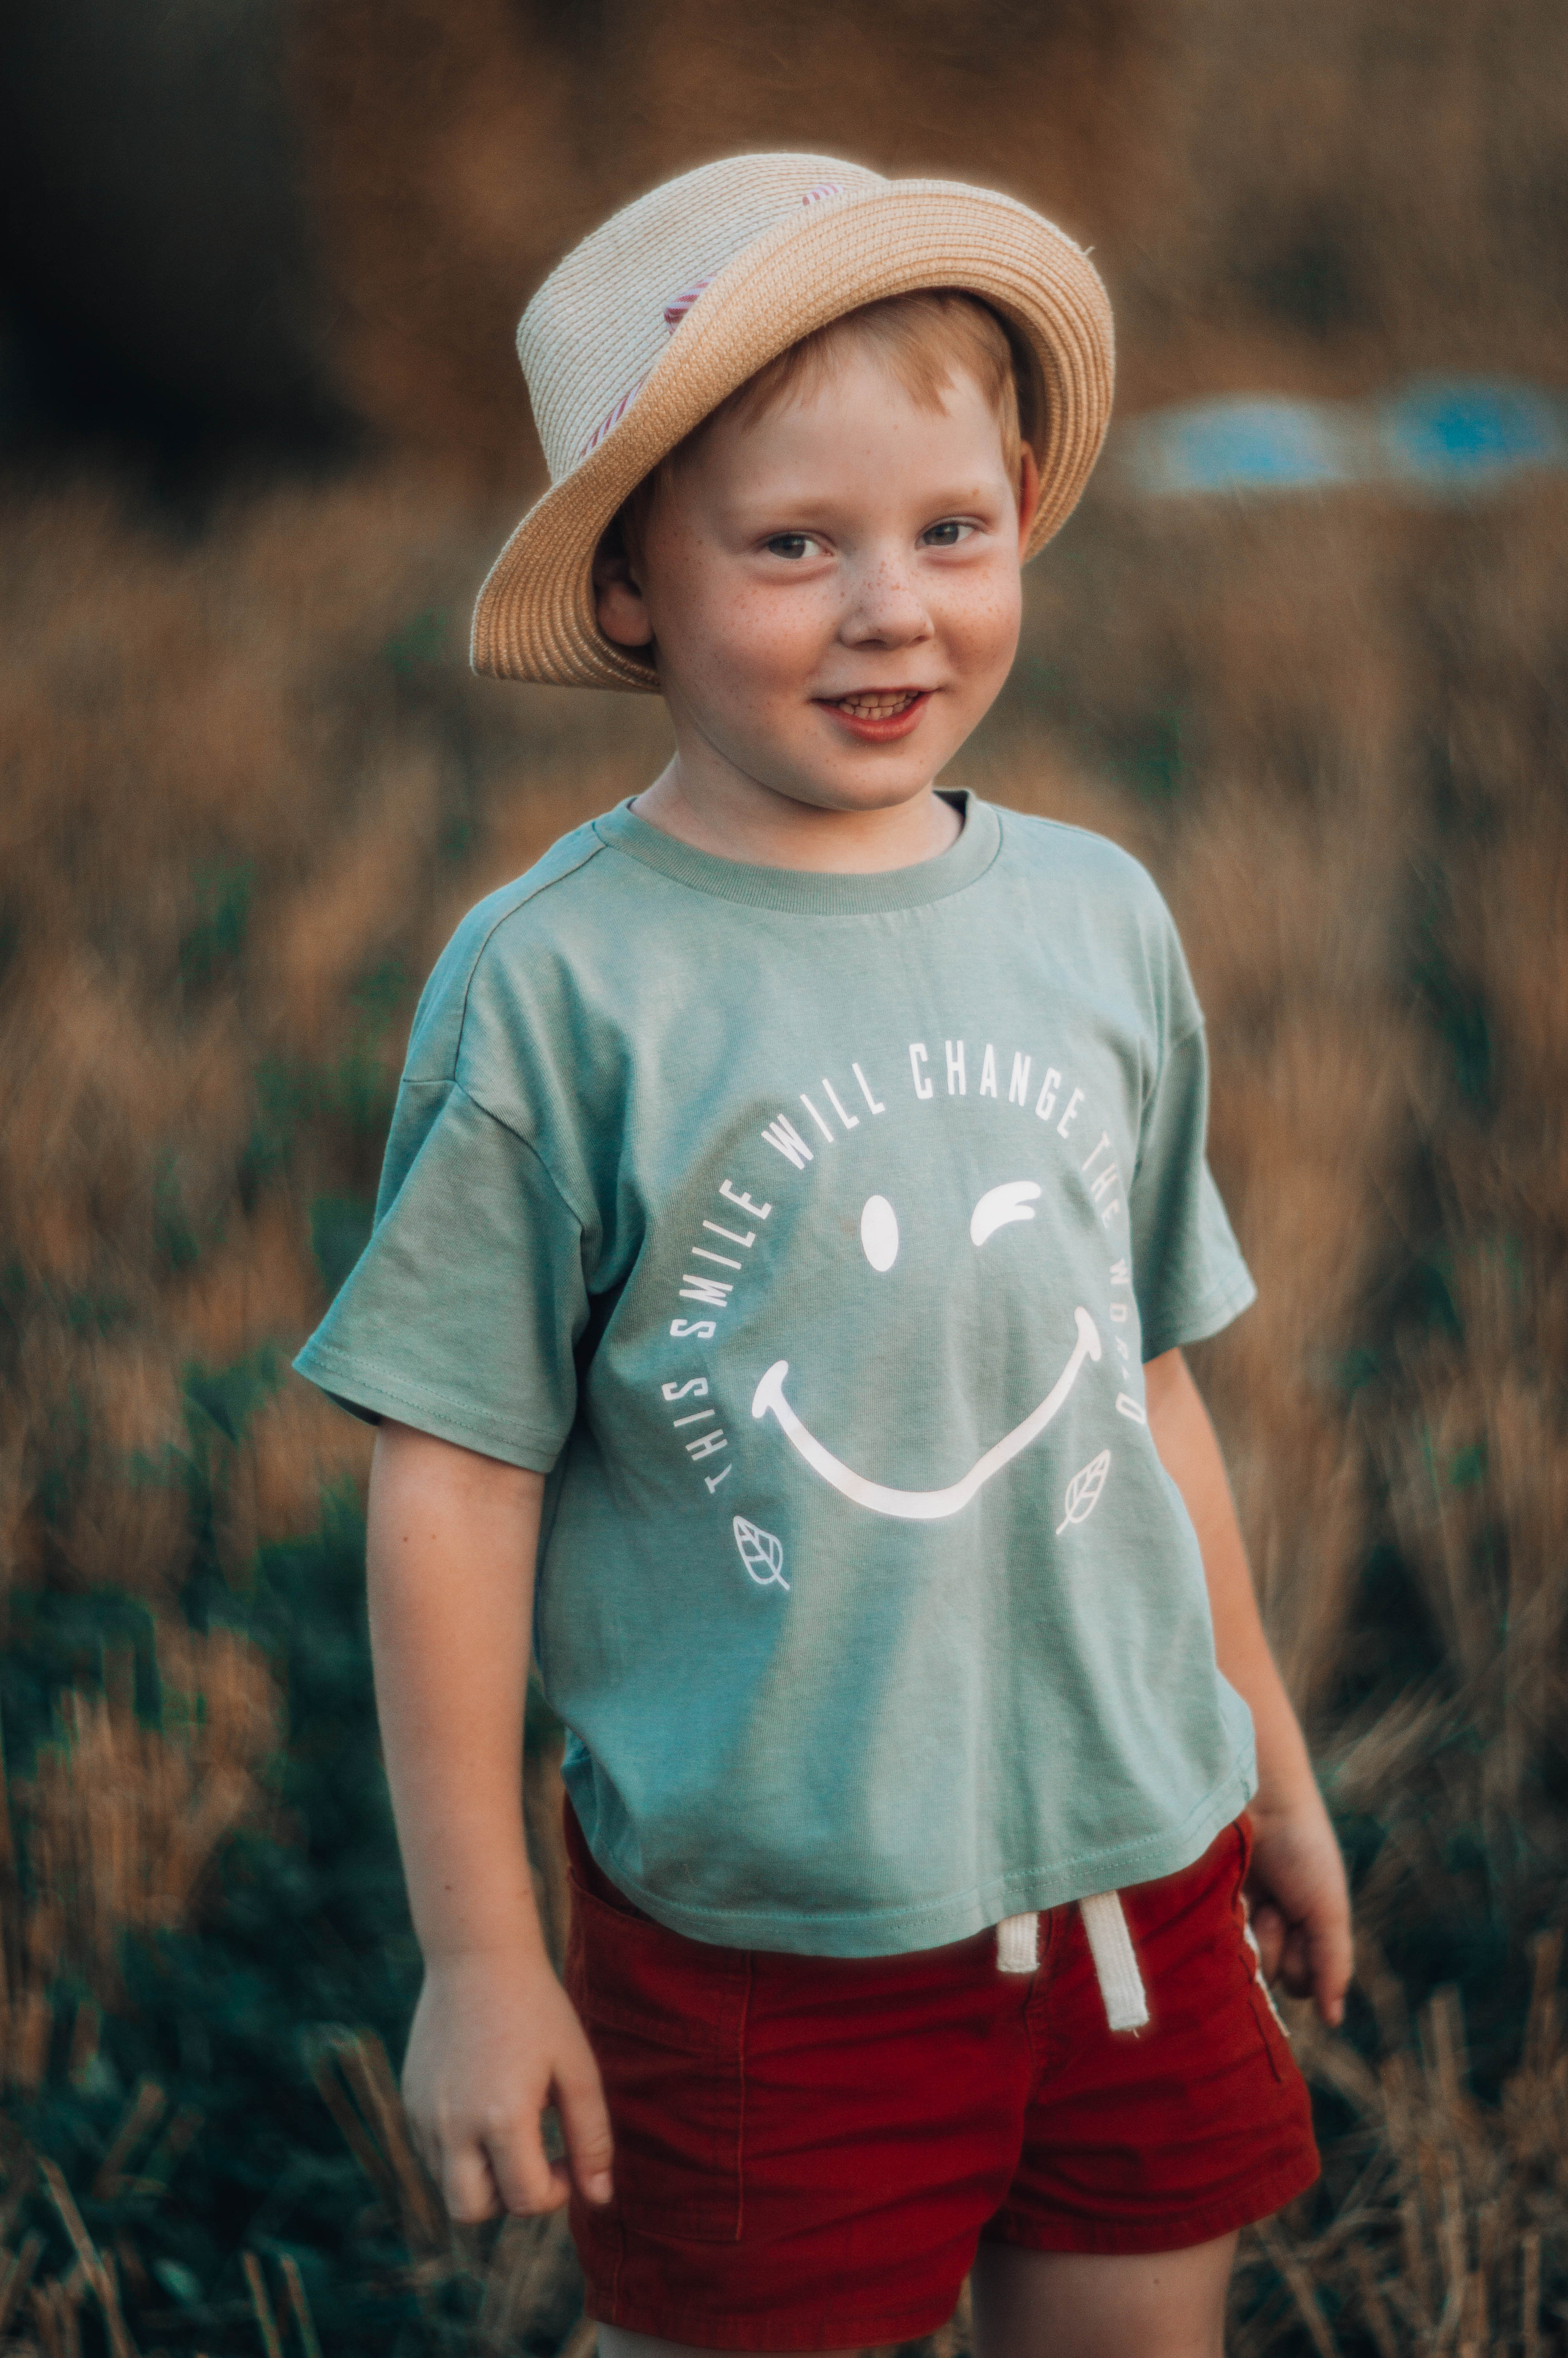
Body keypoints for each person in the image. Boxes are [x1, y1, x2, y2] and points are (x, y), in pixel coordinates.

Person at [293, 153, 1352, 2358]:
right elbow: (455, 1480)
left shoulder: (1099, 925)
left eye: (950, 532)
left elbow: (1146, 1389)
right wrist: (485, 1945)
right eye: (795, 546)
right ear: (630, 589)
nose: (893, 610)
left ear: (1026, 507)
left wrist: (1269, 1767)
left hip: (1136, 1878)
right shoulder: (561, 990)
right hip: (768, 1945)